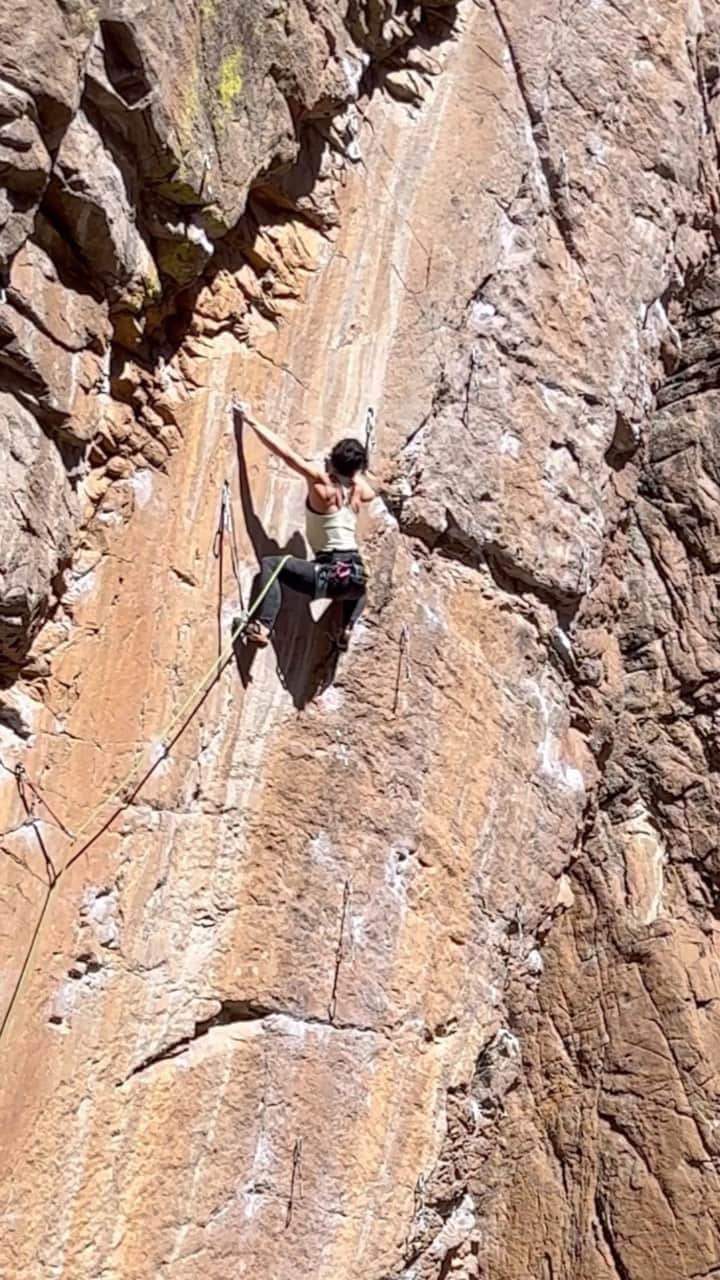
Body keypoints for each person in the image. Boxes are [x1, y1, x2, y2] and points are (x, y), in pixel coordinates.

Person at [238, 406, 374, 650]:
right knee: (358, 587)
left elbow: (287, 455)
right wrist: (353, 475)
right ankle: (347, 627)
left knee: (272, 565)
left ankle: (264, 627)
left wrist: (252, 421)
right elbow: (370, 492)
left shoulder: (321, 484)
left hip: (329, 573)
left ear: (332, 460)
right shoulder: (359, 490)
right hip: (355, 574)